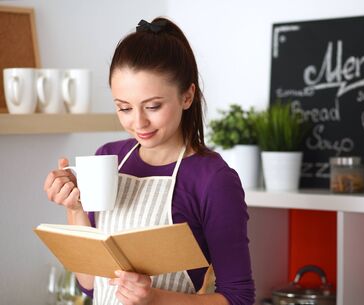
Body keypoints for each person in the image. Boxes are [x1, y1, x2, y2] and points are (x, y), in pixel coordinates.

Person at [43, 17, 255, 305]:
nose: (138, 122)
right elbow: (91, 285)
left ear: (187, 96)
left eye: (153, 106)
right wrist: (75, 207)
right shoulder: (108, 158)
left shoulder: (213, 180)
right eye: (124, 108)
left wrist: (155, 299)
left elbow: (238, 298)